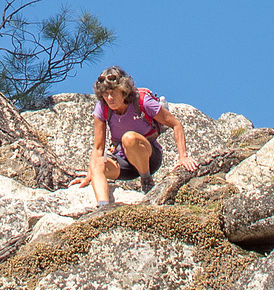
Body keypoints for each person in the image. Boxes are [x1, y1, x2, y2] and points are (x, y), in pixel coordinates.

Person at [73, 65, 198, 209]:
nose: (109, 98)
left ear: (124, 91)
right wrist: (91, 174)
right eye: (105, 94)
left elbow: (176, 124)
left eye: (113, 92)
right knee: (97, 163)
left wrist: (183, 157)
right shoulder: (102, 108)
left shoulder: (143, 101)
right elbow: (98, 147)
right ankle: (103, 207)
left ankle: (146, 180)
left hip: (149, 158)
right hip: (123, 161)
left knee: (129, 138)